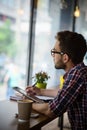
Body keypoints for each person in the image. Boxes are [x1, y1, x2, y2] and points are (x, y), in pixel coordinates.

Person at [26, 30, 87, 130]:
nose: (53, 55)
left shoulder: (77, 74)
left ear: (65, 58)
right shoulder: (81, 71)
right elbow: (65, 93)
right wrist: (40, 91)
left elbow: (51, 110)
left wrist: (27, 103)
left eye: (54, 51)